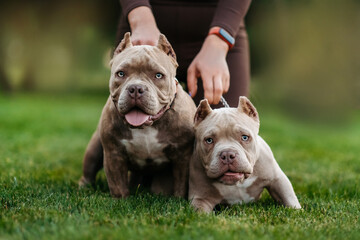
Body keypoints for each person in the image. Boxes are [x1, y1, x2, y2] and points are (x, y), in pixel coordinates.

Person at [116, 0, 252, 107]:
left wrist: (219, 42)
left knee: (224, 133)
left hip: (221, 28)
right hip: (141, 28)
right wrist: (140, 21)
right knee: (118, 131)